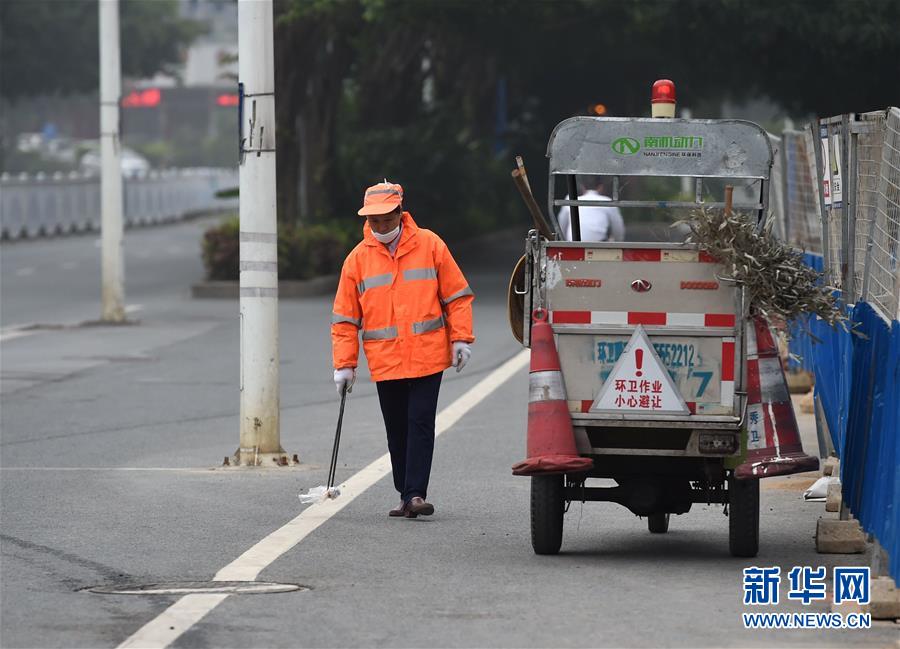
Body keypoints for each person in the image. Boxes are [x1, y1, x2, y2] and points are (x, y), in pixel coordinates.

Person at [331, 181, 475, 519]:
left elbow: (458, 297)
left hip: (428, 356)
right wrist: (345, 365)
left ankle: (414, 495)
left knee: (420, 422)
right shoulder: (357, 260)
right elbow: (345, 319)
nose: (380, 226)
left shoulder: (430, 245)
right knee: (397, 428)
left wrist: (461, 339)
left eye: (386, 218)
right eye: (374, 220)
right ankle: (405, 492)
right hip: (386, 360)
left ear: (400, 212)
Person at [556, 175, 626, 242]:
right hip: (598, 246)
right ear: (601, 187)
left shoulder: (570, 199)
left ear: (583, 187)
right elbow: (618, 230)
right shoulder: (608, 202)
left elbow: (562, 224)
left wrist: (564, 242)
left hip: (573, 244)